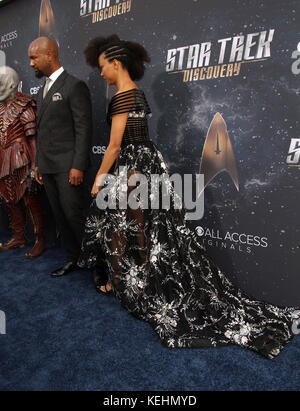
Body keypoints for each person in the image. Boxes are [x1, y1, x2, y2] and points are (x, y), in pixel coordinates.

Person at [78, 34, 299, 359]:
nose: (101, 74)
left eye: (102, 67)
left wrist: (99, 178)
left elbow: (113, 146)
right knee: (146, 229)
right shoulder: (138, 94)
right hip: (148, 164)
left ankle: (138, 286)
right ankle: (139, 281)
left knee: (130, 227)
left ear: (116, 62)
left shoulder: (121, 97)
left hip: (131, 168)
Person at [28, 37, 92, 277]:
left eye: (34, 58)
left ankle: (96, 265)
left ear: (49, 55)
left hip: (68, 167)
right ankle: (73, 258)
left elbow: (83, 129)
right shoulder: (43, 89)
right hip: (48, 166)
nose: (31, 63)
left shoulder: (74, 86)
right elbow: (43, 131)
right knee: (61, 217)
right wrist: (38, 164)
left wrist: (78, 166)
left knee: (75, 215)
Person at [0, 66, 45, 258]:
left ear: (11, 84)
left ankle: (40, 240)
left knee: (29, 199)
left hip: (21, 158)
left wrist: (35, 166)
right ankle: (19, 236)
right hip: (3, 159)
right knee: (9, 199)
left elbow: (33, 139)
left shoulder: (24, 104)